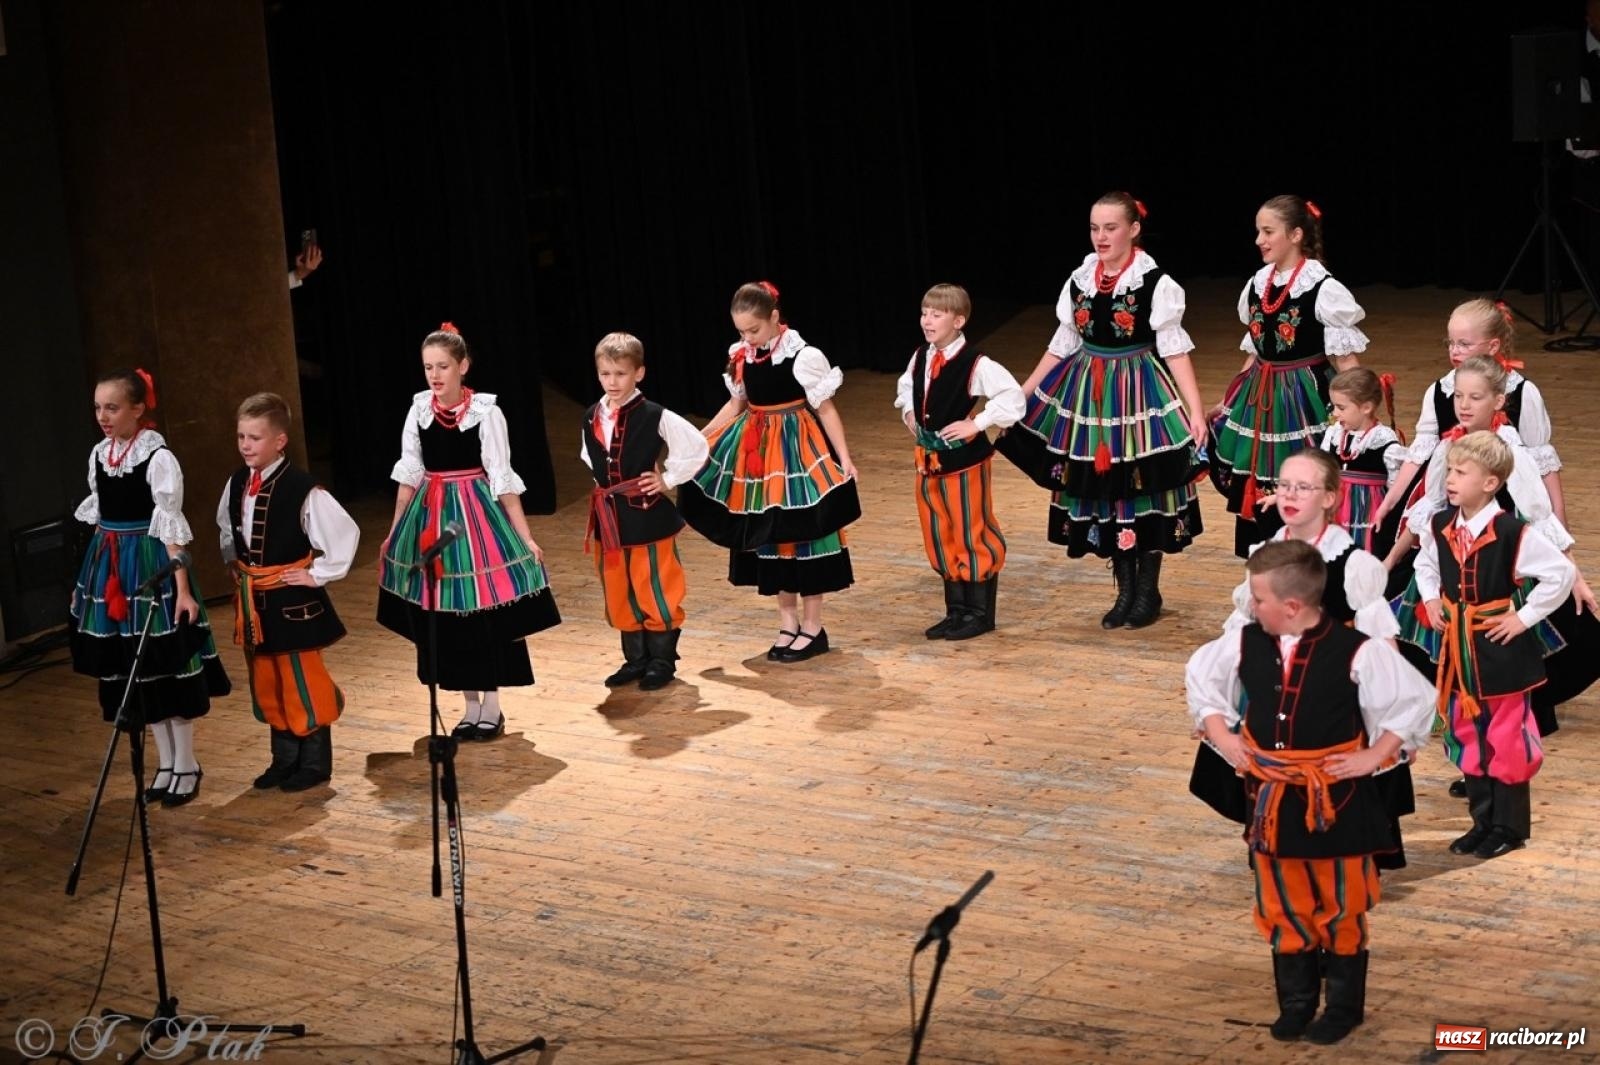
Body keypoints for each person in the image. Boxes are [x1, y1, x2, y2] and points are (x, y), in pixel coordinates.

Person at [1186, 540, 1434, 1044]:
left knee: (1342, 904)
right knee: (1281, 901)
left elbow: (1416, 699)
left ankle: (1343, 1007)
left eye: (1258, 600)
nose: (1251, 608)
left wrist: (1373, 755)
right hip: (1273, 800)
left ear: (1292, 606)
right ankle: (1296, 1004)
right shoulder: (1245, 643)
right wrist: (1223, 737)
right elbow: (1201, 677)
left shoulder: (1355, 650)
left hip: (1337, 801)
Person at [997, 192, 1207, 629]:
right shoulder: (1081, 278)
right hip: (1090, 394)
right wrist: (1024, 393)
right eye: (1095, 228)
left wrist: (1195, 411)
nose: (1101, 237)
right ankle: (1124, 588)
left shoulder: (1154, 282)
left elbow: (1175, 351)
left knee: (1144, 483)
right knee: (1103, 485)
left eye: (1111, 228)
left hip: (1139, 390)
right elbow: (1062, 344)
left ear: (1133, 229)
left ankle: (1147, 590)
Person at [378, 323, 561, 739]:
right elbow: (409, 474)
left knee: (484, 611)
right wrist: (394, 533)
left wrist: (525, 536)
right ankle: (469, 706)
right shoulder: (419, 408)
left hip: (475, 516)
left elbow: (502, 477)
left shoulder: (486, 412)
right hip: (431, 515)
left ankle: (492, 708)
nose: (435, 375)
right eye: (428, 367)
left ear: (463, 365)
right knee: (446, 613)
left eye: (443, 366)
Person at [69, 368, 230, 807]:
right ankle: (164, 763)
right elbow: (100, 518)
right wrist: (87, 586)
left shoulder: (157, 458)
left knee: (166, 661)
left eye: (113, 407)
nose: (103, 415)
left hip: (149, 563)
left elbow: (171, 528)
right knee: (136, 671)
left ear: (138, 409)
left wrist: (181, 589)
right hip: (111, 566)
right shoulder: (99, 455)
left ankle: (188, 762)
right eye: (98, 407)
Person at [677, 281, 861, 662]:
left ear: (775, 318)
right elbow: (737, 404)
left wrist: (844, 458)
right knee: (771, 533)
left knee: (807, 529)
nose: (747, 337)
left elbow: (825, 409)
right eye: (741, 331)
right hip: (758, 452)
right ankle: (787, 623)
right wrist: (699, 438)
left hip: (796, 448)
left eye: (754, 330)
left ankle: (813, 627)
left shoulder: (803, 356)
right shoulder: (743, 354)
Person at [1413, 431, 1575, 858]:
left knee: (1505, 738)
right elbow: (1424, 563)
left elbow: (1559, 574)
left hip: (1500, 653)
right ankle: (1482, 822)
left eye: (1461, 472)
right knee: (1470, 734)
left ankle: (1510, 827)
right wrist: (1431, 598)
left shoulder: (1510, 531)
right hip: (1460, 651)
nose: (1450, 479)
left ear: (1490, 483)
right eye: (1450, 469)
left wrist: (1522, 618)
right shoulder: (1440, 524)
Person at [1209, 196, 1369, 558]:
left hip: (1303, 398)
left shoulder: (1321, 288)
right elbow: (1255, 352)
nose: (1259, 240)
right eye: (1258, 232)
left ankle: (1305, 560)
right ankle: (1264, 568)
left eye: (1268, 232)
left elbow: (1346, 362)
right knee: (1257, 479)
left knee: (1303, 474)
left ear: (1295, 234)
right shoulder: (1257, 284)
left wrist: (1362, 414)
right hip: (1259, 397)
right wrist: (1227, 403)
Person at [218, 392, 359, 791]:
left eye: (255, 438)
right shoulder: (237, 482)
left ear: (279, 441)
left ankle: (314, 763)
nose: (246, 445)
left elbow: (343, 533)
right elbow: (227, 527)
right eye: (242, 436)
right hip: (256, 600)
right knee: (268, 678)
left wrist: (317, 574)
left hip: (292, 600)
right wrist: (236, 565)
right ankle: (284, 759)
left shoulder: (302, 488)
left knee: (301, 679)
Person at [893, 284, 1024, 640]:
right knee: (939, 530)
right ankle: (956, 610)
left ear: (959, 320)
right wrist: (908, 410)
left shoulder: (975, 363)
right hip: (929, 460)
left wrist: (977, 423)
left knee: (970, 528)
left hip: (965, 463)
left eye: (937, 314)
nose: (927, 320)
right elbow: (907, 387)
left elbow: (1013, 399)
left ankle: (979, 612)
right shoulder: (921, 356)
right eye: (924, 313)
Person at [580, 332, 709, 690]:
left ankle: (662, 661)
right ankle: (635, 659)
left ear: (639, 373)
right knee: (619, 588)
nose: (612, 382)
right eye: (605, 374)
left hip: (647, 516)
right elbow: (589, 457)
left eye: (620, 373)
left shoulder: (654, 415)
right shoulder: (592, 415)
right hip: (611, 517)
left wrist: (667, 479)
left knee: (654, 584)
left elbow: (696, 446)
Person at [1318, 367, 1406, 558]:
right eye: (1334, 406)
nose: (1335, 413)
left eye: (1341, 408)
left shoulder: (1382, 439)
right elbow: (1321, 468)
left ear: (1366, 407)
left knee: (1363, 555)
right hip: (1335, 508)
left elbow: (1396, 485)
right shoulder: (1334, 434)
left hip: (1367, 513)